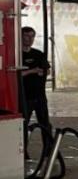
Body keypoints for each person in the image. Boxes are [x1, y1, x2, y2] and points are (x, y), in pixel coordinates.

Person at [21, 26, 52, 160]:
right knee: (22, 126)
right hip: (24, 97)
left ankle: (48, 152)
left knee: (45, 125)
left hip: (40, 96)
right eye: (26, 36)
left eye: (32, 36)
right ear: (20, 37)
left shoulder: (38, 54)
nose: (30, 39)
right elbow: (16, 74)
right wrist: (33, 71)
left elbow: (47, 70)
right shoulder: (17, 55)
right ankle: (22, 153)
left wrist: (41, 71)